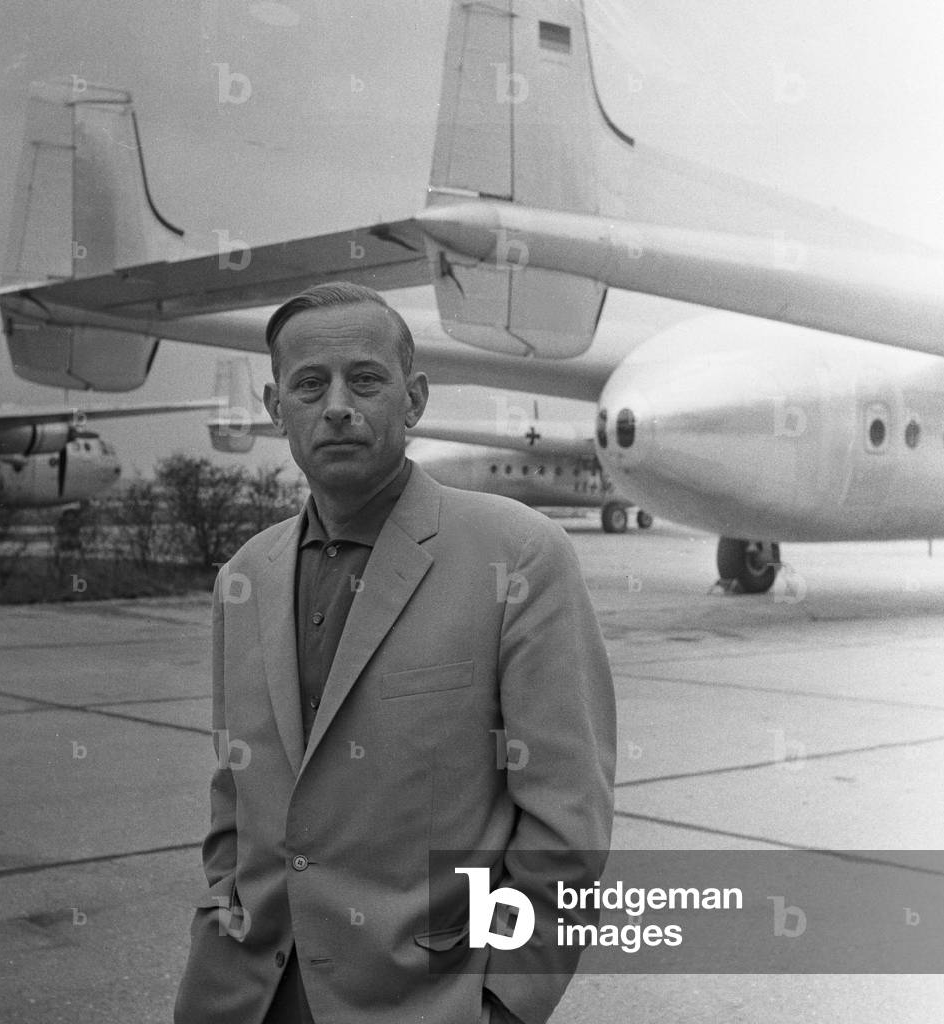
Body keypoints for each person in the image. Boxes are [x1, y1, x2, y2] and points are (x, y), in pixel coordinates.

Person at [174, 283, 615, 1024]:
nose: (338, 404)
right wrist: (227, 911)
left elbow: (566, 825)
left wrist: (506, 1005)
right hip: (244, 997)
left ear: (413, 398)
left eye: (366, 379)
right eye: (310, 384)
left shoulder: (519, 556)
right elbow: (235, 797)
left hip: (422, 1002)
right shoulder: (245, 576)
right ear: (275, 404)